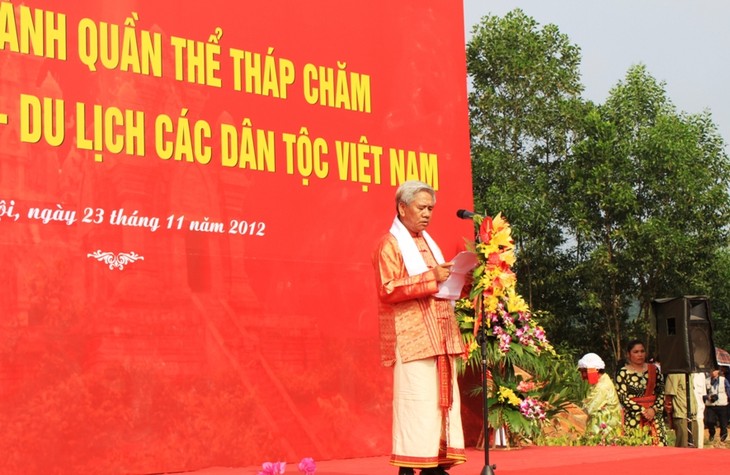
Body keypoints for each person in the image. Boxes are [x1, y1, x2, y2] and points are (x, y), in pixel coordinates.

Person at [373, 180, 467, 475]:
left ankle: (435, 465)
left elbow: (442, 286)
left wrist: (464, 282)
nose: (427, 214)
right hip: (413, 336)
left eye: (431, 209)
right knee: (417, 403)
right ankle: (411, 465)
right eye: (421, 207)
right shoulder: (390, 244)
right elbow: (387, 288)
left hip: (441, 334)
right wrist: (431, 277)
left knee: (443, 402)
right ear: (402, 208)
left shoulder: (428, 243)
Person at [615, 339, 668, 445]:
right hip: (634, 418)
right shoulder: (623, 373)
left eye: (642, 351)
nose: (640, 354)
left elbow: (661, 392)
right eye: (636, 352)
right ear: (628, 354)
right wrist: (643, 411)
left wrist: (653, 410)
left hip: (654, 417)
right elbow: (622, 397)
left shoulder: (654, 370)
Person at [577, 353, 622, 437]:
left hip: (605, 431)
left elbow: (589, 409)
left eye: (584, 372)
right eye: (581, 372)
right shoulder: (601, 381)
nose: (583, 376)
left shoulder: (602, 387)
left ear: (595, 370)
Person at [664, 373, 698, 447]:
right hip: (682, 415)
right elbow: (668, 399)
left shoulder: (690, 374)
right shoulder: (674, 374)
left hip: (693, 415)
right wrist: (670, 418)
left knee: (695, 447)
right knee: (683, 446)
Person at [704, 367, 730, 445]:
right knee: (709, 422)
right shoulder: (706, 381)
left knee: (723, 423)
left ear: (718, 371)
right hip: (710, 405)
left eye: (714, 371)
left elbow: (728, 390)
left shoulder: (723, 380)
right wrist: (707, 397)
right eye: (711, 370)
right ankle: (712, 433)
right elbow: (702, 392)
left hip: (722, 404)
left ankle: (723, 437)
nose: (712, 372)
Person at [692, 371, 707, 448]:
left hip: (699, 410)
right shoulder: (685, 373)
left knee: (699, 443)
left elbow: (704, 394)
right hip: (687, 412)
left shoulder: (701, 375)